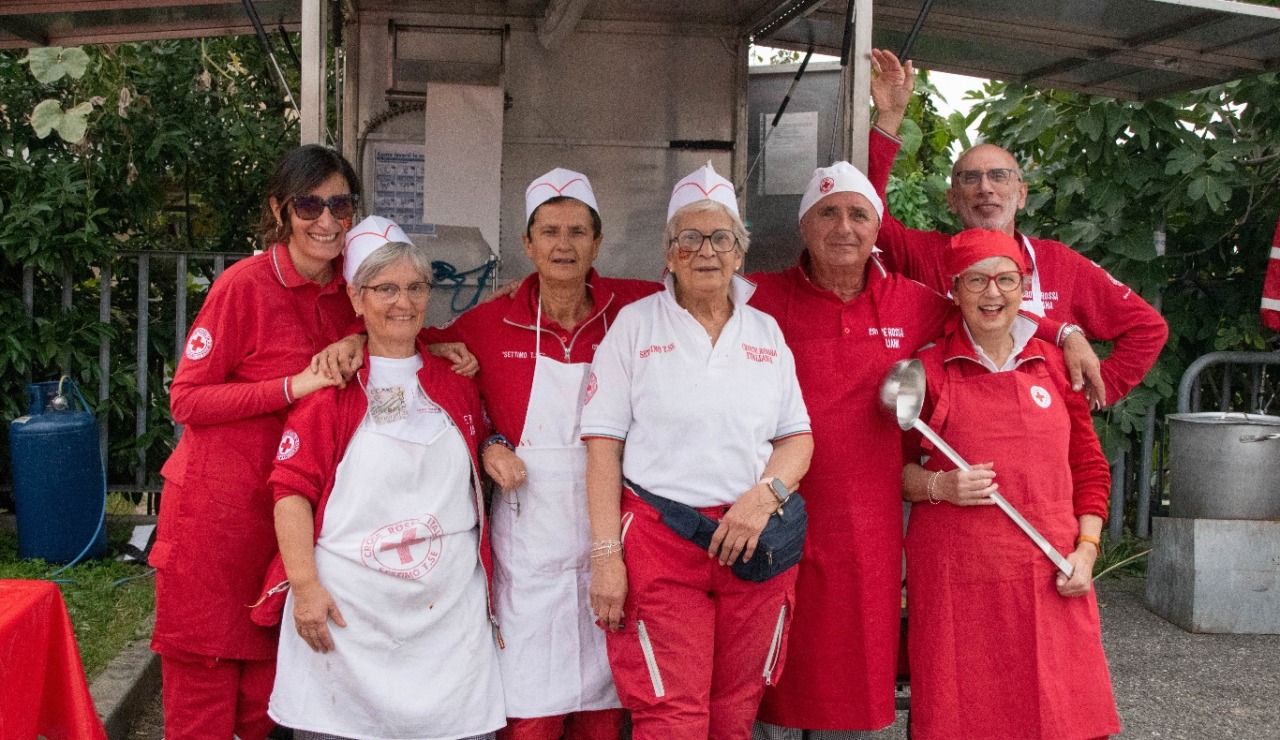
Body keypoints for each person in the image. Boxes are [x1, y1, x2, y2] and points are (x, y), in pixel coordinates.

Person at [748, 162, 1097, 740]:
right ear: (803, 225)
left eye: (859, 214)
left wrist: (1064, 332)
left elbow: (990, 302)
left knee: (851, 686)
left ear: (876, 227)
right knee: (762, 674)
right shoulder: (755, 296)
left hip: (869, 528)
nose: (844, 228)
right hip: (770, 512)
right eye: (827, 213)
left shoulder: (913, 301)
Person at [423, 168, 660, 739]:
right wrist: (486, 444)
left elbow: (721, 297)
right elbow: (409, 350)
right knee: (529, 718)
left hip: (614, 541)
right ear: (527, 245)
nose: (563, 244)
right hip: (527, 556)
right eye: (549, 231)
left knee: (604, 715)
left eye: (578, 231)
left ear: (598, 243)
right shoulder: (488, 322)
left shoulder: (636, 310)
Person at [581, 163, 814, 737]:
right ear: (668, 253)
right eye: (690, 238)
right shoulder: (634, 327)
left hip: (752, 541)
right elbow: (602, 448)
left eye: (721, 238)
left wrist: (765, 496)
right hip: (663, 544)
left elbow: (797, 436)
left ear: (740, 253)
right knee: (671, 716)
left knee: (735, 713)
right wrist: (607, 555)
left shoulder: (765, 333)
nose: (706, 250)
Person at [150, 145, 363, 740]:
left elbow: (404, 323)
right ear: (279, 209)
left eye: (339, 204)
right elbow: (186, 399)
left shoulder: (355, 287)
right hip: (214, 525)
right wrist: (292, 385)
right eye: (308, 204)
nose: (325, 220)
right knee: (204, 703)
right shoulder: (243, 285)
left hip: (289, 529)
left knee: (267, 706)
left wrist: (425, 346)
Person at [267, 217, 504, 739]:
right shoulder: (331, 390)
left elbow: (483, 439)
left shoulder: (457, 381)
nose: (403, 301)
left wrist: (494, 445)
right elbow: (291, 494)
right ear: (356, 298)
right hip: (350, 615)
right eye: (386, 289)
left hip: (446, 618)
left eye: (415, 287)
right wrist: (304, 586)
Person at [900, 228, 1121, 739]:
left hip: (1051, 574)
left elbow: (1089, 469)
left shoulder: (1056, 365)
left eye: (1006, 279)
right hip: (959, 583)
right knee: (966, 714)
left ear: (1025, 288)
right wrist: (941, 487)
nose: (992, 293)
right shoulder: (927, 370)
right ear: (954, 291)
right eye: (976, 281)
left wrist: (1087, 551)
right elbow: (894, 472)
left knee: (1060, 713)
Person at [867, 49, 1167, 407]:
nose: (985, 188)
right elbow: (867, 211)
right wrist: (889, 117)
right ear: (952, 199)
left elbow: (1148, 328)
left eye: (999, 176)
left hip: (1039, 437)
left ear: (1022, 194)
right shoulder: (923, 255)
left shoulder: (1058, 262)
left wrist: (1088, 398)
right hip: (952, 438)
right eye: (970, 178)